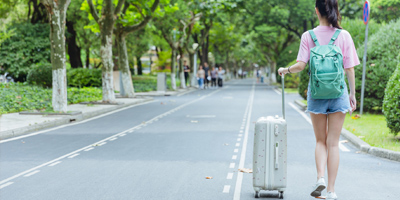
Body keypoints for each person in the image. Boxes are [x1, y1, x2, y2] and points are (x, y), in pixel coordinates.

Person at [278, 1, 358, 200]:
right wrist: (352, 94)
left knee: (320, 141)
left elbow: (301, 65)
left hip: (316, 94)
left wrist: (284, 70)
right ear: (335, 11)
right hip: (338, 94)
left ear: (316, 11)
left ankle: (320, 177)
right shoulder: (344, 35)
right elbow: (349, 68)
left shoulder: (308, 36)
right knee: (333, 143)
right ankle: (331, 190)